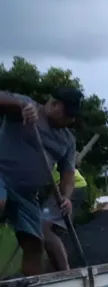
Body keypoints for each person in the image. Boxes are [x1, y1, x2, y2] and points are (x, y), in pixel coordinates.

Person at [0, 87, 81, 276]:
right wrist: (20, 106)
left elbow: (68, 174)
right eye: (68, 115)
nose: (72, 120)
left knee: (35, 243)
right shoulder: (26, 105)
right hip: (2, 175)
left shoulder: (67, 140)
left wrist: (66, 197)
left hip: (26, 194)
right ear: (54, 105)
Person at [40, 163, 87, 272]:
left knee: (42, 228)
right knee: (48, 232)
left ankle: (65, 272)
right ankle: (58, 269)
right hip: (58, 186)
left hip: (70, 185)